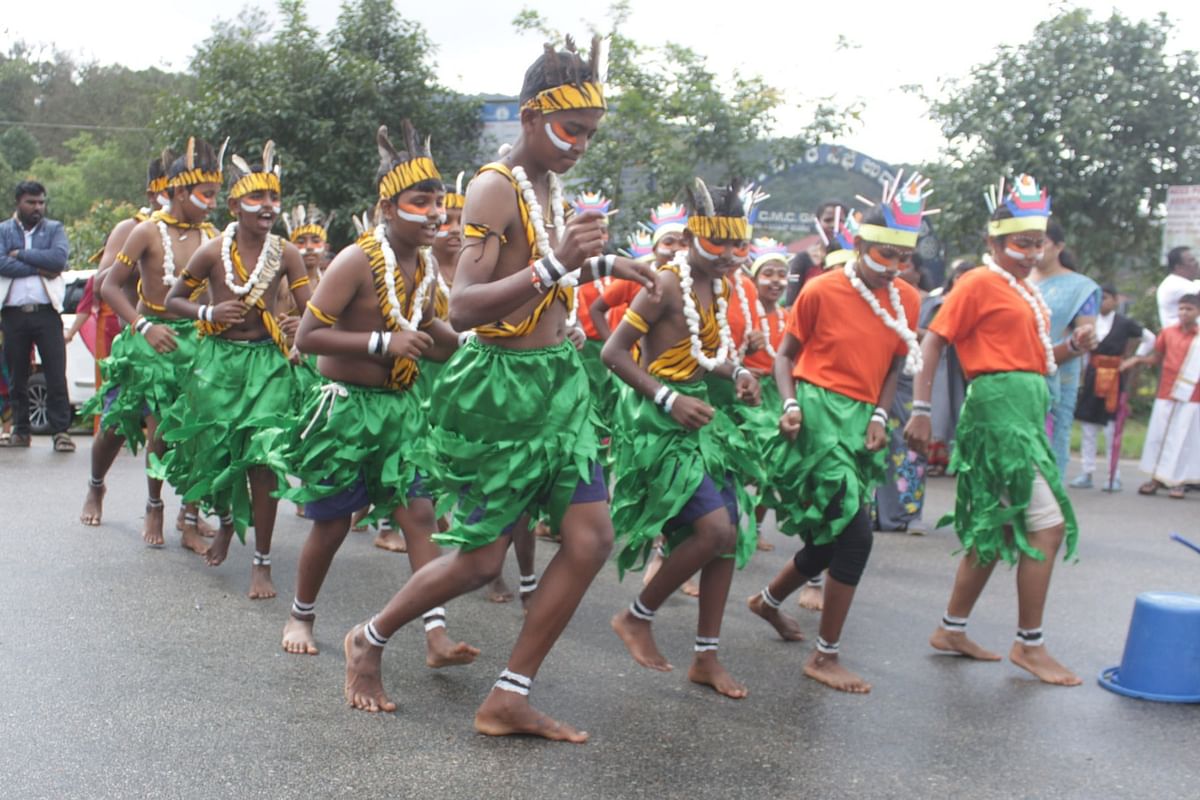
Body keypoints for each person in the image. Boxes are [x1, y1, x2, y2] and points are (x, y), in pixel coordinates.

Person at [340, 37, 657, 742]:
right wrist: (555, 266)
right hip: (502, 394)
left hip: (558, 388)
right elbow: (465, 308)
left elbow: (548, 271)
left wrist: (612, 265)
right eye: (570, 129)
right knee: (480, 559)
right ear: (529, 115)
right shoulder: (493, 186)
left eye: (590, 134)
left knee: (591, 538)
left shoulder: (548, 185)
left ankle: (510, 695)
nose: (580, 145)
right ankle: (369, 637)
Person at [277, 122, 479, 663]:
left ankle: (435, 633)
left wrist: (479, 349)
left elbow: (434, 337)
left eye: (440, 202)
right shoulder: (356, 259)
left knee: (420, 514)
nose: (437, 213)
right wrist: (381, 342)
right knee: (333, 521)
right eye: (422, 201)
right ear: (388, 207)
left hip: (401, 414)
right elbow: (309, 337)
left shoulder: (426, 267)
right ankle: (301, 613)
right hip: (345, 411)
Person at [905, 174, 1095, 686]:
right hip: (999, 418)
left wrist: (1074, 346)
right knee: (1048, 526)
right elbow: (935, 339)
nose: (1031, 253)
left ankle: (951, 628)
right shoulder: (980, 283)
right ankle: (1029, 645)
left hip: (1024, 412)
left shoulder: (1021, 290)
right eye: (1020, 243)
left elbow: (1034, 362)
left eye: (1038, 243)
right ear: (993, 242)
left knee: (998, 526)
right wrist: (921, 407)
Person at [749, 175, 928, 693]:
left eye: (901, 257)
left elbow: (895, 363)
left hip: (862, 423)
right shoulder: (823, 289)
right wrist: (788, 404)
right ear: (861, 244)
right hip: (817, 416)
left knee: (834, 534)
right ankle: (825, 657)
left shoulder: (907, 300)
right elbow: (785, 356)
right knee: (856, 535)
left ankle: (766, 601)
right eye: (882, 254)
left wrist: (879, 416)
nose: (891, 267)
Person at [604, 179, 763, 699]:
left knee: (729, 536)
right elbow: (614, 353)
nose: (729, 259)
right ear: (694, 236)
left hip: (702, 415)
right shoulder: (665, 284)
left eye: (739, 249)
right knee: (714, 531)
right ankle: (636, 615)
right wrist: (668, 400)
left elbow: (699, 355)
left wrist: (736, 371)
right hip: (659, 422)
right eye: (719, 247)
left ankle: (706, 658)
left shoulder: (716, 286)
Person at [154, 140, 312, 599]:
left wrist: (299, 322)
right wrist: (206, 315)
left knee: (263, 462)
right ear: (233, 206)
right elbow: (173, 301)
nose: (268, 207)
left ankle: (261, 562)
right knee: (220, 458)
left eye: (274, 199)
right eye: (257, 199)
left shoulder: (287, 254)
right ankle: (226, 524)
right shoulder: (213, 251)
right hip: (219, 364)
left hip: (267, 366)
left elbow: (313, 310)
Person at [81, 142, 221, 545]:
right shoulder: (144, 230)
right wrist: (143, 326)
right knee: (114, 429)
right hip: (147, 339)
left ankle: (181, 513)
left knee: (193, 429)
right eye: (206, 195)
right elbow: (109, 285)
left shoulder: (211, 236)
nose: (213, 204)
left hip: (193, 343)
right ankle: (97, 485)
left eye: (215, 195)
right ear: (180, 192)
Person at [0, 180, 72, 451]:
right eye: (31, 202)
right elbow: (0, 262)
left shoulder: (54, 229)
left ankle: (61, 433)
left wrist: (20, 255)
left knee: (55, 373)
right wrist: (39, 268)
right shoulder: (4, 231)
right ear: (18, 202)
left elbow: (58, 260)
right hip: (13, 314)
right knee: (17, 375)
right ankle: (21, 431)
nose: (37, 207)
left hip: (46, 313)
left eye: (41, 202)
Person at [1030, 219, 1100, 477]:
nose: (1035, 250)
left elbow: (1086, 334)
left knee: (1052, 440)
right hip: (1012, 370)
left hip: (1057, 375)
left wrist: (1082, 338)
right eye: (1028, 242)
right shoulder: (1016, 280)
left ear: (1059, 246)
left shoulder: (1080, 288)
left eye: (1041, 243)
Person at [1070, 286, 1153, 491]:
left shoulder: (1124, 323)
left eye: (1105, 298)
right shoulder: (1089, 322)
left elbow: (1151, 338)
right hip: (1092, 376)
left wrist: (1134, 359)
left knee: (1111, 429)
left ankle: (1113, 474)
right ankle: (1087, 471)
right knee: (1089, 426)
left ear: (1115, 300)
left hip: (1115, 378)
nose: (1102, 303)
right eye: (1099, 299)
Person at [874, 253, 930, 534]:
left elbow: (933, 340)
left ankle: (906, 514)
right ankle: (874, 513)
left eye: (905, 262)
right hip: (877, 376)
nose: (896, 266)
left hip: (908, 379)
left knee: (907, 446)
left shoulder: (920, 300)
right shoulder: (872, 290)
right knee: (877, 445)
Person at [1125, 294, 1200, 499]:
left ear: (1198, 312)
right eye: (1181, 309)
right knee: (1158, 436)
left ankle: (1178, 482)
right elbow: (1157, 358)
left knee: (1183, 438)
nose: (1184, 313)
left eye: (1189, 309)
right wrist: (1138, 361)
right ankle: (1155, 479)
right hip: (1166, 391)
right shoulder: (1167, 333)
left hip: (1192, 395)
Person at [588, 202, 688, 340]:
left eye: (683, 244)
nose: (676, 248)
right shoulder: (636, 278)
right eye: (669, 242)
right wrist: (611, 345)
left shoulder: (696, 280)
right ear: (654, 249)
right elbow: (596, 309)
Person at [918, 259, 978, 476]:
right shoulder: (936, 301)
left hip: (962, 365)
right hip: (940, 364)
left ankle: (956, 457)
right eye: (958, 276)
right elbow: (931, 336)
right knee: (939, 408)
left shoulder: (976, 302)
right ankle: (935, 457)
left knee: (957, 408)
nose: (961, 281)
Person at [784, 200, 848, 306]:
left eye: (840, 221)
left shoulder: (855, 260)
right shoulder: (803, 259)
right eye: (828, 220)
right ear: (818, 223)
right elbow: (791, 303)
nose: (834, 226)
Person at [1156, 246, 1199, 329]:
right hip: (1179, 337)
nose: (1196, 263)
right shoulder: (1173, 284)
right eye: (1191, 260)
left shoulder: (1191, 283)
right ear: (1178, 267)